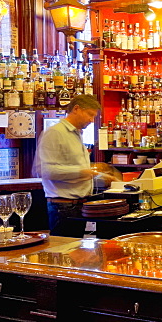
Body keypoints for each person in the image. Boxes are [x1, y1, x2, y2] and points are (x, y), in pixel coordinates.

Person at [34, 94, 113, 234]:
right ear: (76, 109)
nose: (91, 120)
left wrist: (95, 172)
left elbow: (68, 165)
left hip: (78, 206)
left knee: (76, 253)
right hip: (63, 207)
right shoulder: (55, 133)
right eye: (90, 114)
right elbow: (44, 170)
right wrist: (84, 172)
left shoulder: (76, 134)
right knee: (64, 253)